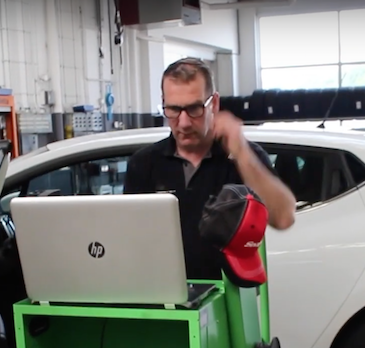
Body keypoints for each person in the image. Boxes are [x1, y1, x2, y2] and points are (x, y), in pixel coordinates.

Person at [124, 57, 297, 281]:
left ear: (213, 103)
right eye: (173, 109)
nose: (184, 122)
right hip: (164, 293)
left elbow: (283, 218)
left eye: (194, 109)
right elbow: (130, 240)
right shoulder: (144, 163)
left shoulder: (243, 157)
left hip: (229, 296)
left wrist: (241, 153)